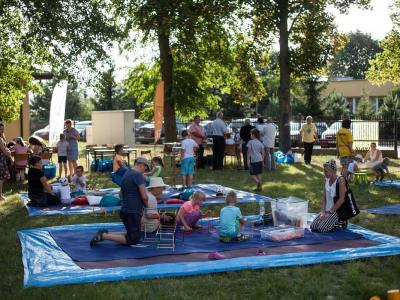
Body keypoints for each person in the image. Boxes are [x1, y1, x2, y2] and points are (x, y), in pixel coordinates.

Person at [90, 157, 150, 246]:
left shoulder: (127, 173)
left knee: (133, 235)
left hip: (125, 210)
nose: (144, 171)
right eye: (145, 168)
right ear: (141, 165)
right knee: (132, 240)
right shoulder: (137, 175)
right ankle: (104, 236)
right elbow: (144, 197)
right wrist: (147, 207)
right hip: (133, 211)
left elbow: (120, 195)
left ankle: (105, 234)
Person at [310, 160, 348, 233]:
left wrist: (330, 212)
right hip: (327, 210)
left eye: (326, 171)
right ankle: (330, 221)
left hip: (337, 211)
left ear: (333, 171)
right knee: (313, 226)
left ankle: (341, 222)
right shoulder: (326, 179)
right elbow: (324, 197)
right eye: (324, 171)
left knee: (322, 229)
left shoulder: (340, 180)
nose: (325, 173)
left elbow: (341, 199)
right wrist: (323, 212)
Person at [0, 123, 11, 201]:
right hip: (1, 160)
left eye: (3, 129)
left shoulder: (2, 138)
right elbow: (5, 152)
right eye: (0, 129)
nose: (2, 130)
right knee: (1, 178)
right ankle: (0, 196)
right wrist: (9, 152)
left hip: (1, 159)